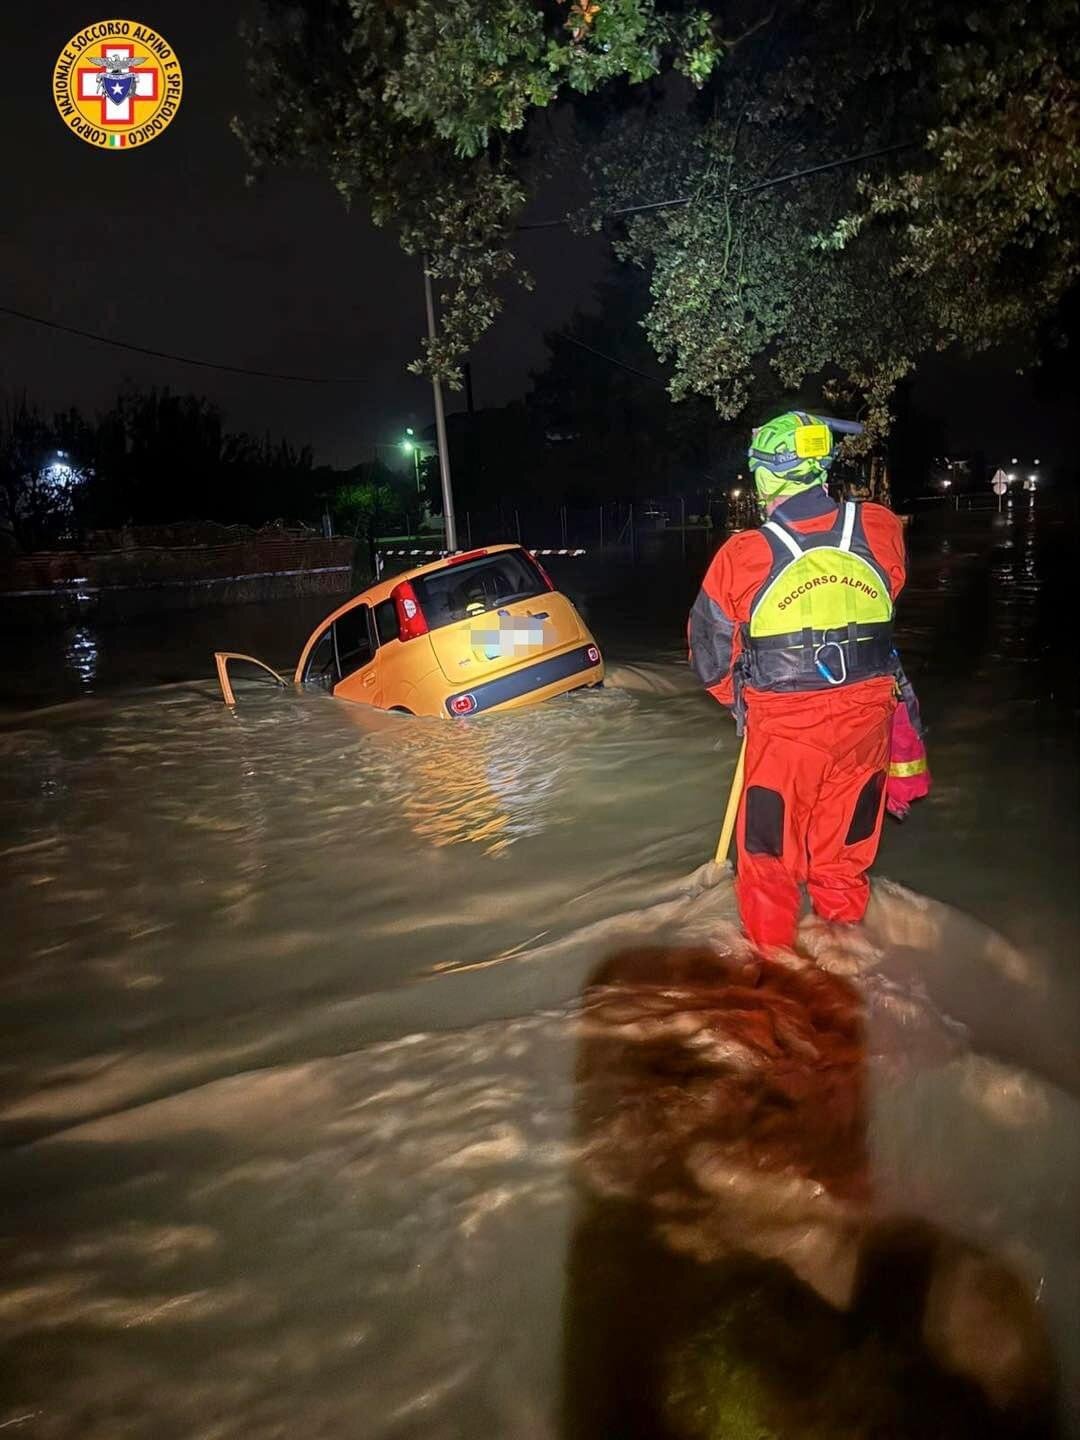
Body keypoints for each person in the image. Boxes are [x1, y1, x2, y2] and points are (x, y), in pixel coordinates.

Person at [689, 410, 923, 952]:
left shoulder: (742, 556)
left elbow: (707, 655)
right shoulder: (883, 528)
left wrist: (740, 701)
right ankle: (847, 955)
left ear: (767, 477)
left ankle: (774, 972)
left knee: (769, 857)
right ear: (820, 468)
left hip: (785, 732)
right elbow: (885, 595)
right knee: (845, 850)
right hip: (869, 725)